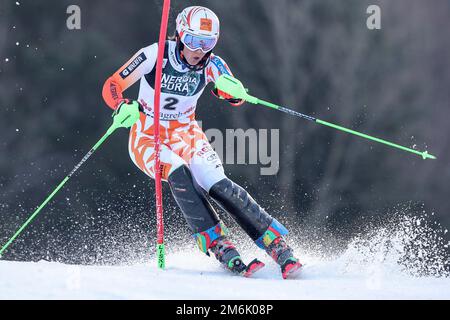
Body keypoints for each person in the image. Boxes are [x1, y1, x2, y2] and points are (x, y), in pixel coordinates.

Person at [102, 6, 302, 279]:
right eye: (194, 41)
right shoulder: (155, 54)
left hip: (187, 132)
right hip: (148, 136)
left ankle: (275, 243)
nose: (199, 50)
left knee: (217, 183)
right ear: (180, 35)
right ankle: (218, 243)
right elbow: (112, 84)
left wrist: (233, 92)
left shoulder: (212, 63)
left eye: (208, 43)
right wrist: (121, 105)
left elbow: (230, 91)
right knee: (178, 172)